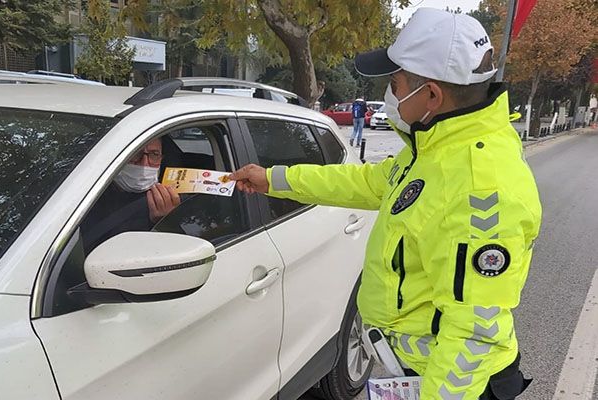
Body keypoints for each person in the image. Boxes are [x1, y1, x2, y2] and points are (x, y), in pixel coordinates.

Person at [230, 8, 541, 400]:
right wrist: (273, 179)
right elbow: (368, 181)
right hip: (414, 364)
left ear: (431, 94)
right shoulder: (435, 148)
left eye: (395, 83)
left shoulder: (480, 189)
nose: (388, 95)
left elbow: (474, 334)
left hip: (452, 381)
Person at [81, 137, 180, 253]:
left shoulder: (167, 200)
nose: (144, 164)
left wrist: (165, 222)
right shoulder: (86, 194)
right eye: (135, 153)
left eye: (154, 154)